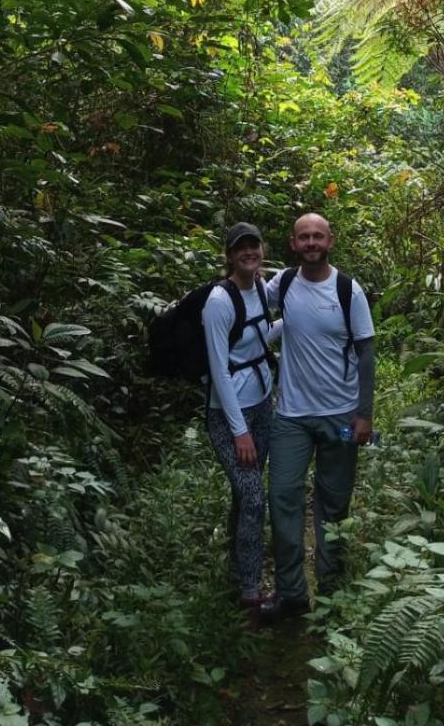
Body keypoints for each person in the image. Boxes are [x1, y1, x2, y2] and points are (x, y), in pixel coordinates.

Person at [262, 211, 375, 620]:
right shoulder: (283, 284)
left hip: (340, 414)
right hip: (291, 415)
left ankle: (330, 590)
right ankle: (291, 594)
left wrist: (364, 414)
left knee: (334, 502)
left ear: (330, 241)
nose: (311, 243)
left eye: (318, 236)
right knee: (282, 497)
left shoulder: (347, 290)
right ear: (293, 244)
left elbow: (366, 352)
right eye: (304, 237)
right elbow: (247, 302)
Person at [202, 221, 280, 621]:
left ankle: (236, 565)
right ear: (230, 255)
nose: (249, 252)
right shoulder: (219, 301)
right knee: (253, 498)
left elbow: (258, 339)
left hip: (262, 404)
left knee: (243, 494)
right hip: (229, 416)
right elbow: (219, 369)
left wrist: (292, 322)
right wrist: (239, 431)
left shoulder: (261, 289)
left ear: (261, 250)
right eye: (241, 248)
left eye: (254, 245)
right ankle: (250, 592)